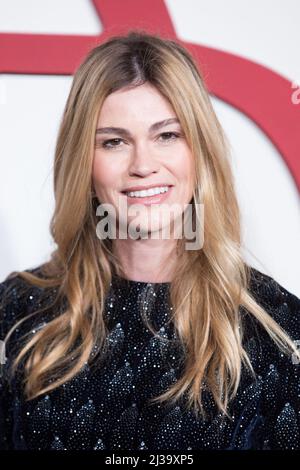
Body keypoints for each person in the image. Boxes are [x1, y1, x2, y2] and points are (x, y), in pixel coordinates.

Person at [0, 30, 299, 451]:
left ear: (200, 151)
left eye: (167, 135)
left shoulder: (279, 328)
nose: (143, 165)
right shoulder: (16, 312)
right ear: (83, 161)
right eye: (114, 142)